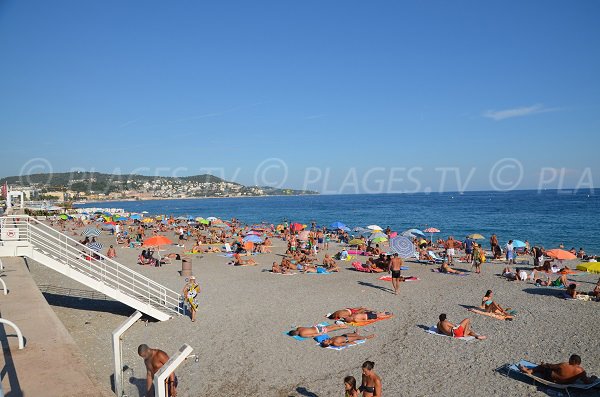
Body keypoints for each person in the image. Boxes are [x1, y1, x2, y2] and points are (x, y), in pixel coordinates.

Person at [518, 354, 597, 384]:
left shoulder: (564, 365)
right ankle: (530, 370)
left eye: (570, 359)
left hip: (551, 379)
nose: (568, 360)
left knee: (542, 367)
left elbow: (550, 366)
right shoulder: (581, 371)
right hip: (565, 383)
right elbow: (587, 381)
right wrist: (593, 378)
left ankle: (528, 371)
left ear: (573, 361)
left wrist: (543, 364)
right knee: (556, 370)